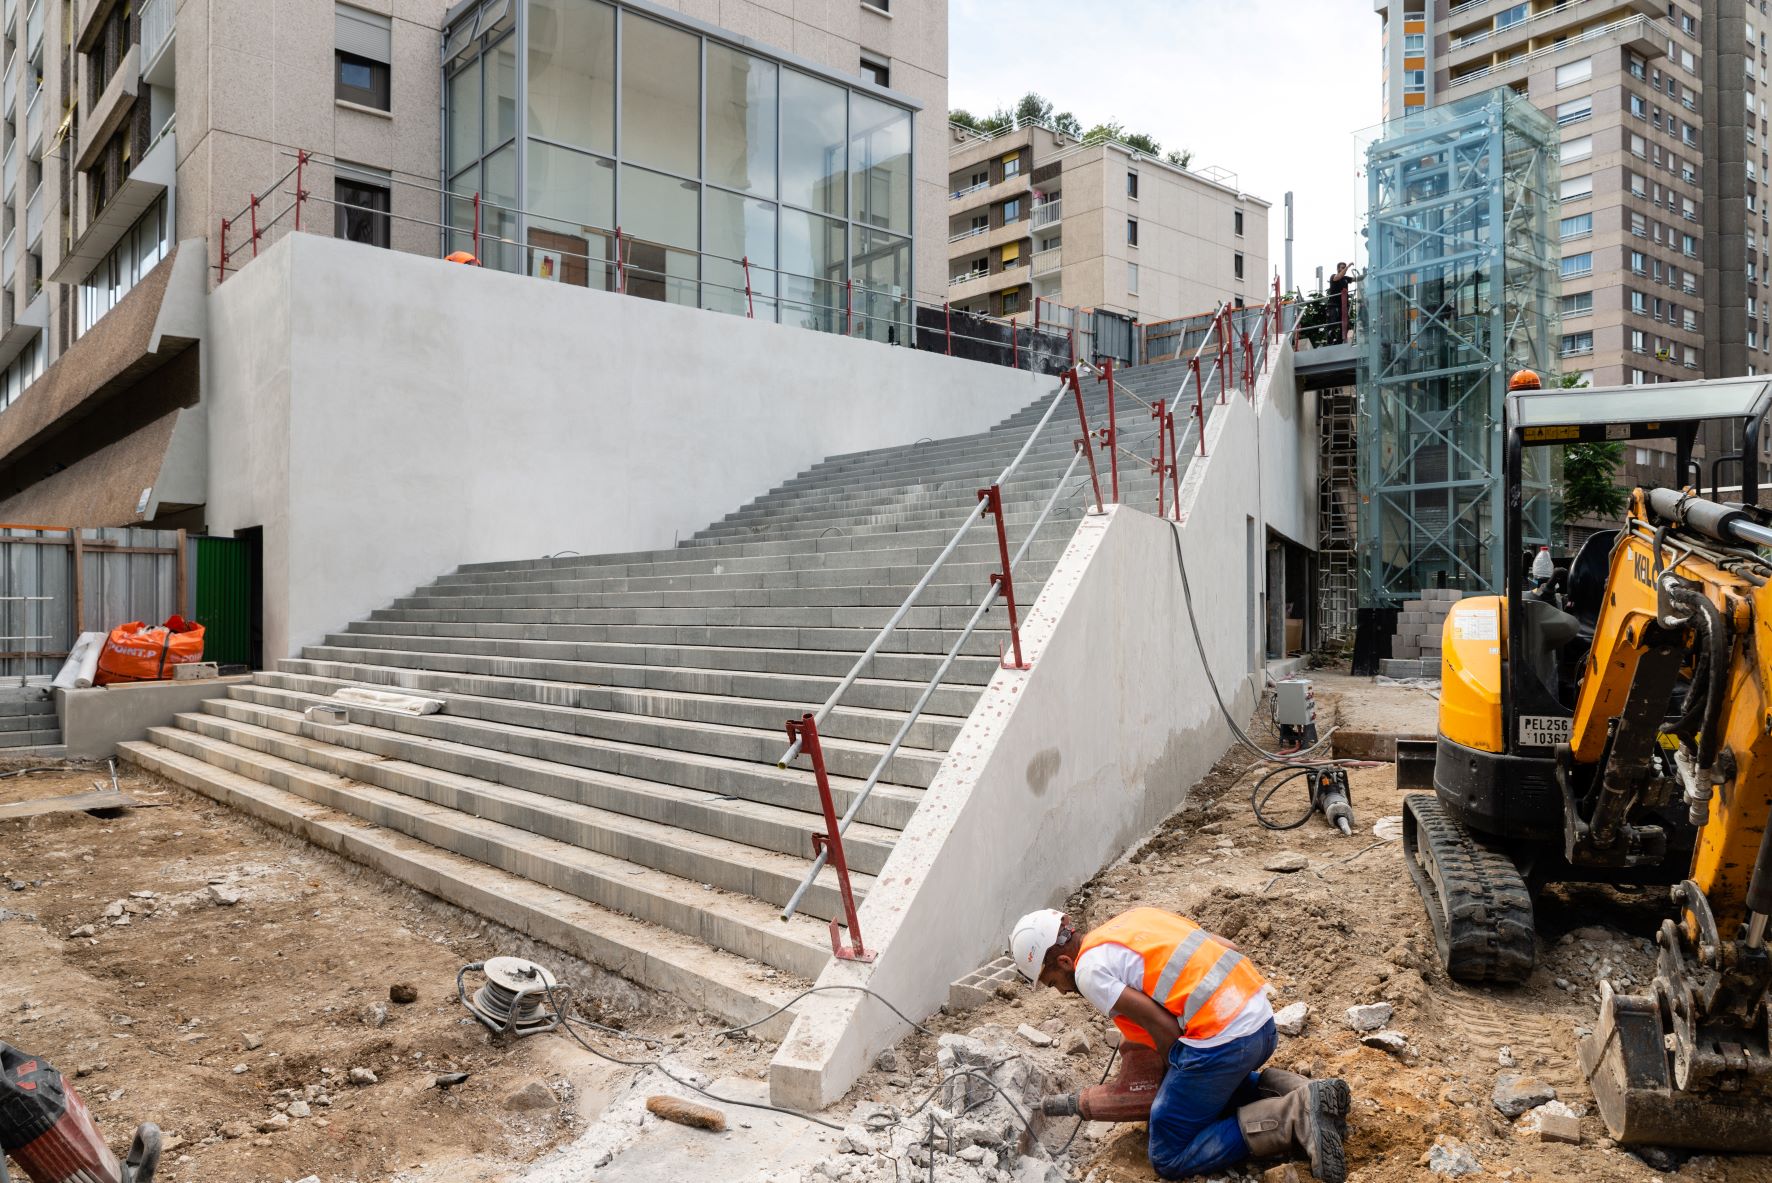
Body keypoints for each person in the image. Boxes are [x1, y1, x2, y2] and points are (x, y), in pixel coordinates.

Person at [1010, 907, 1349, 1182]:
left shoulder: (1088, 971)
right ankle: (1304, 1092)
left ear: (1065, 963)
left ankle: (1292, 1116)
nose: (1062, 992)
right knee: (1209, 1094)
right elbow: (1226, 946)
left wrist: (1174, 1080)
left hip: (1227, 1041)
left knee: (1168, 1153)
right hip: (1259, 1019)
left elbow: (1162, 1025)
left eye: (1053, 982)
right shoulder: (1132, 920)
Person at [1325, 263, 1355, 343]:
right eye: (1342, 267)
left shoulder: (1345, 278)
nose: (1344, 269)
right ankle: (1330, 341)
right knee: (1333, 322)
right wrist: (1348, 267)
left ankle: (1339, 341)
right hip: (1333, 305)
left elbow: (1356, 279)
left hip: (1343, 306)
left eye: (1345, 267)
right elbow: (1338, 276)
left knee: (1344, 324)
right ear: (1338, 269)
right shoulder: (1333, 276)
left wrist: (1366, 274)